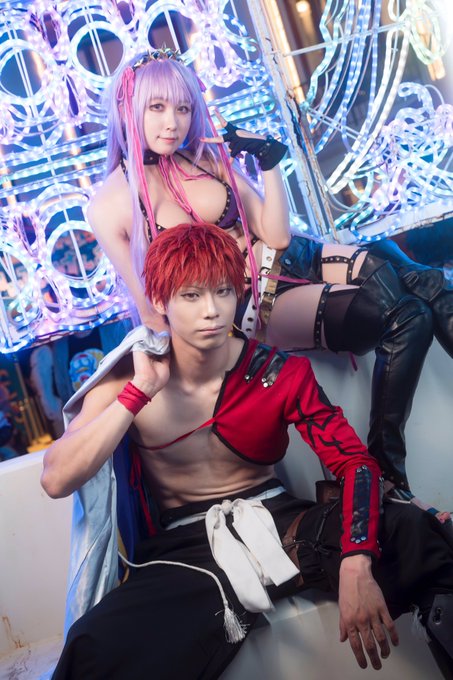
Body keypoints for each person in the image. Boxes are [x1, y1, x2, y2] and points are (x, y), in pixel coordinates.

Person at [42, 224, 453, 679]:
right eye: (191, 296)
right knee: (93, 645)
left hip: (283, 524)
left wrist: (357, 558)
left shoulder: (277, 371)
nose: (212, 311)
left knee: (419, 535)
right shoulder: (128, 376)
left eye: (223, 291)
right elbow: (57, 479)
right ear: (159, 301)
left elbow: (355, 463)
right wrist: (139, 393)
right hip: (185, 548)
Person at [88, 48, 453, 521]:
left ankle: (386, 473)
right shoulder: (111, 204)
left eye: (183, 108)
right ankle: (387, 476)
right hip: (251, 305)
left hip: (291, 256)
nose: (172, 122)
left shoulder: (207, 160)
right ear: (128, 107)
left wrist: (269, 160)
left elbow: (276, 236)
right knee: (408, 313)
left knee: (419, 277)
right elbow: (150, 309)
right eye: (156, 107)